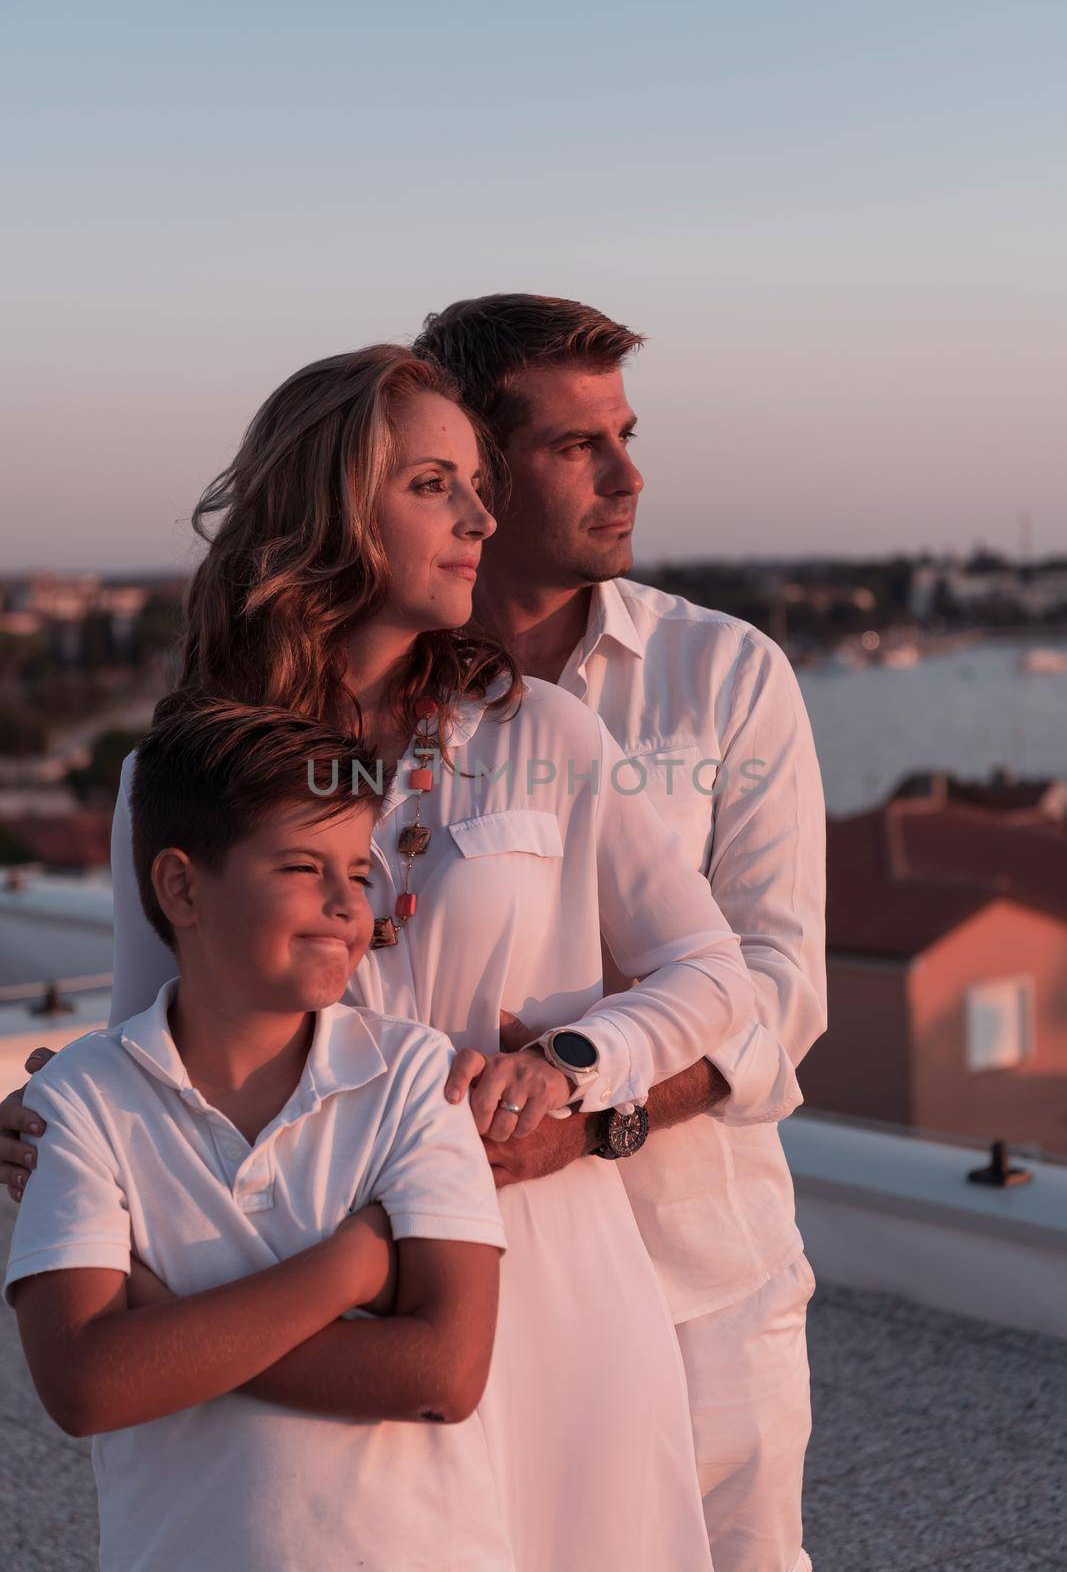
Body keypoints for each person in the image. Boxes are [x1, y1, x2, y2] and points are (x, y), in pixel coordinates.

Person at [1, 345, 756, 1570]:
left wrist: (570, 1064)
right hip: (282, 1268)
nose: (479, 514)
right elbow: (159, 1044)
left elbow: (713, 973)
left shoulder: (544, 735)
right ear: (331, 512)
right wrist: (55, 1114)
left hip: (537, 1276)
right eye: (432, 484)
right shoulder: (175, 778)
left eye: (476, 482)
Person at [413, 294, 828, 1572]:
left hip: (708, 1289)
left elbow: (775, 989)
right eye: (573, 445)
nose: (626, 475)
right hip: (462, 1291)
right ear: (472, 474)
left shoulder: (727, 674)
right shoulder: (368, 693)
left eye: (625, 435)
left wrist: (590, 1112)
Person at [5, 700, 513, 1572]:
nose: (345, 906)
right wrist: (346, 1270)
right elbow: (85, 1388)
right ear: (182, 888)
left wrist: (162, 1334)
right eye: (301, 867)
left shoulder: (412, 1078)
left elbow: (443, 1375)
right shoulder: (84, 1098)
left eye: (358, 873)